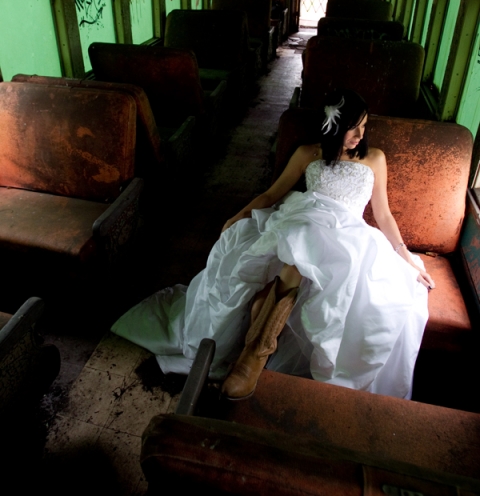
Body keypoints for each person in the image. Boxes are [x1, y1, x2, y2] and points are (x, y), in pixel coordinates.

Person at [111, 89, 435, 400]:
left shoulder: (374, 158)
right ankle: (254, 352)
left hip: (346, 234)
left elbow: (383, 214)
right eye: (354, 127)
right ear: (333, 125)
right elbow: (271, 195)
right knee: (295, 244)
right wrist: (237, 216)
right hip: (304, 219)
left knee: (312, 254)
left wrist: (404, 254)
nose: (361, 135)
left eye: (365, 126)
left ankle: (254, 355)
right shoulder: (310, 153)